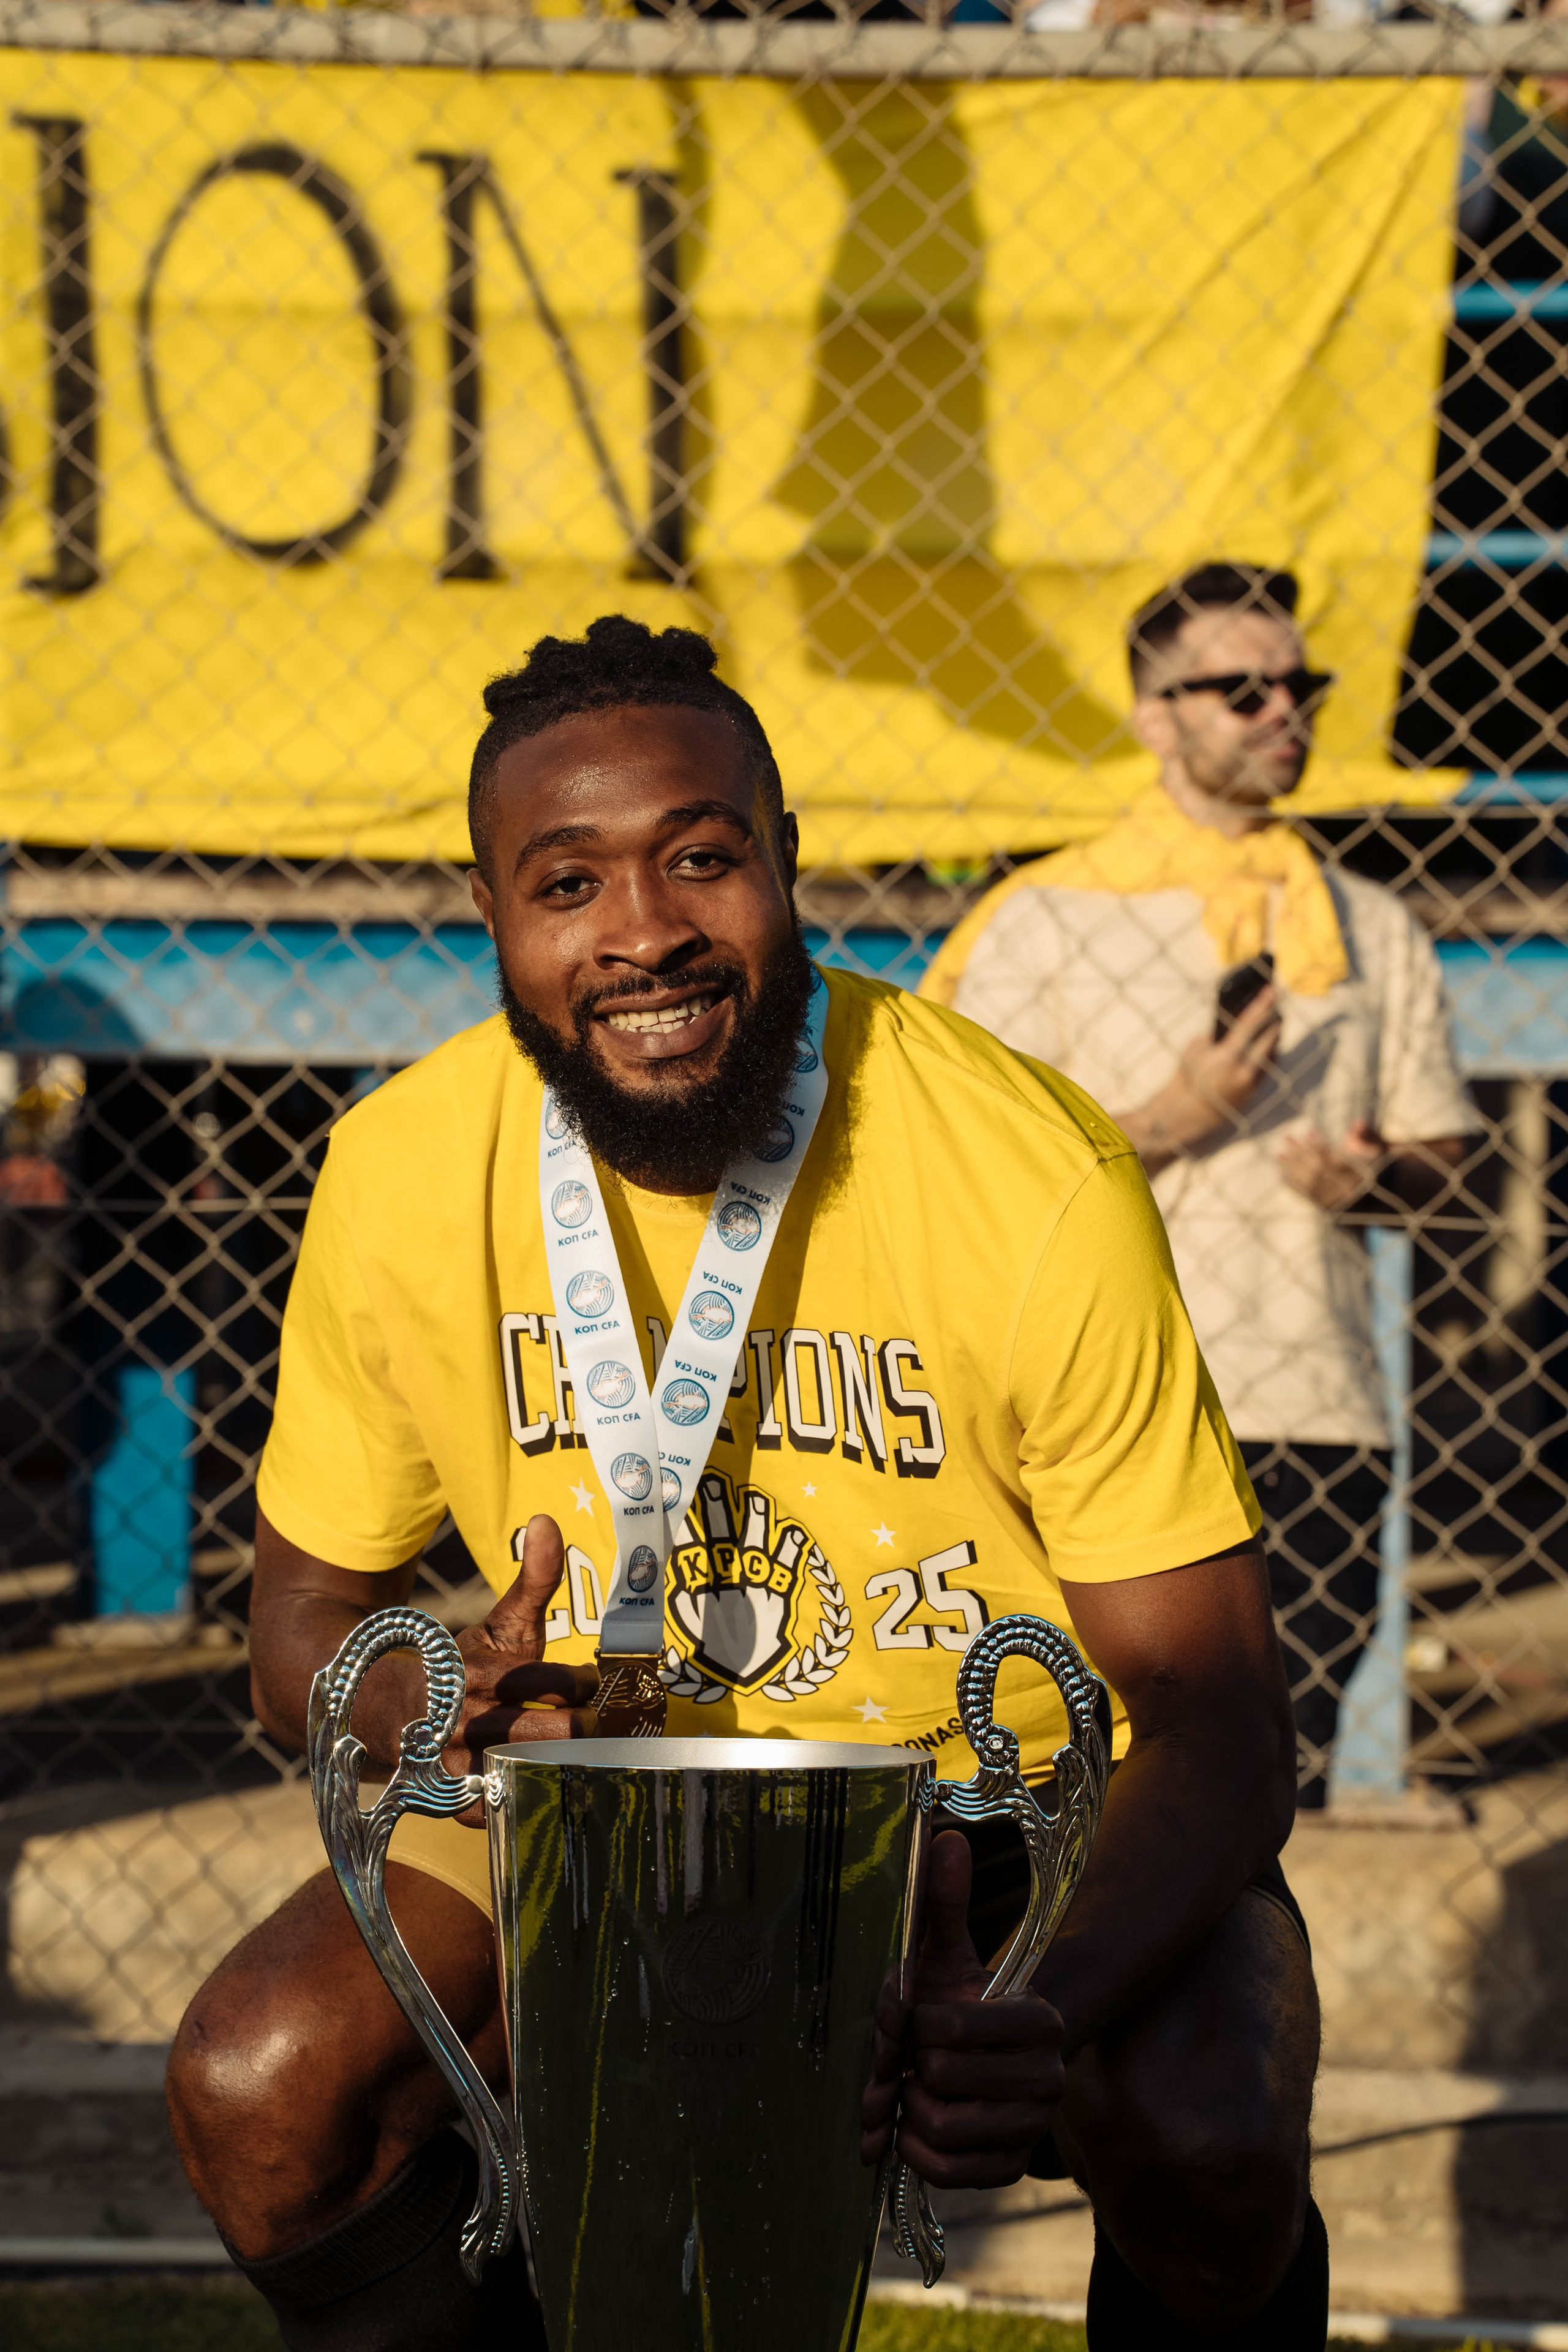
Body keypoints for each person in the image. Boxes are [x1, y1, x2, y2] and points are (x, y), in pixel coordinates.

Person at [167, 616, 1322, 2352]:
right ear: (493, 919)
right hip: (599, 1813)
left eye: (701, 860)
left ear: (786, 866)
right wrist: (425, 1689)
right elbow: (299, 1617)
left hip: (989, 1819)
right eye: (568, 883)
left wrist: (1045, 2008)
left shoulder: (1027, 1164)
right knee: (264, 2081)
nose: (644, 934)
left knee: (1208, 2131)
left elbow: (1220, 1716)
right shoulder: (401, 1170)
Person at [922, 562, 1479, 1809]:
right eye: (1237, 690)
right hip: (1105, 1405)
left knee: (1275, 1791)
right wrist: (1170, 1122)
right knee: (1090, 1795)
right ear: (1151, 714)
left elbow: (1444, 1155)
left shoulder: (1365, 923)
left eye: (1297, 685)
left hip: (1314, 1399)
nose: (1280, 710)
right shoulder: (1047, 917)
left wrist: (1370, 1177)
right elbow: (974, 1173)